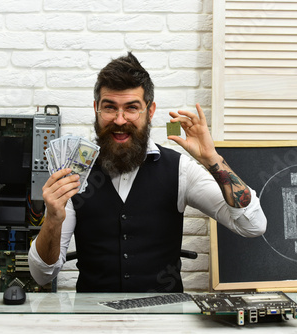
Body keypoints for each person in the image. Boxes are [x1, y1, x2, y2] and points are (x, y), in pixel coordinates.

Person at [28, 52, 267, 293]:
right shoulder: (73, 175)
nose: (120, 120)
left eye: (132, 108)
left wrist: (212, 159)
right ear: (96, 109)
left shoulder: (180, 169)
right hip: (94, 320)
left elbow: (253, 226)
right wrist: (53, 220)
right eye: (110, 108)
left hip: (163, 321)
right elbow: (41, 275)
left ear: (150, 111)